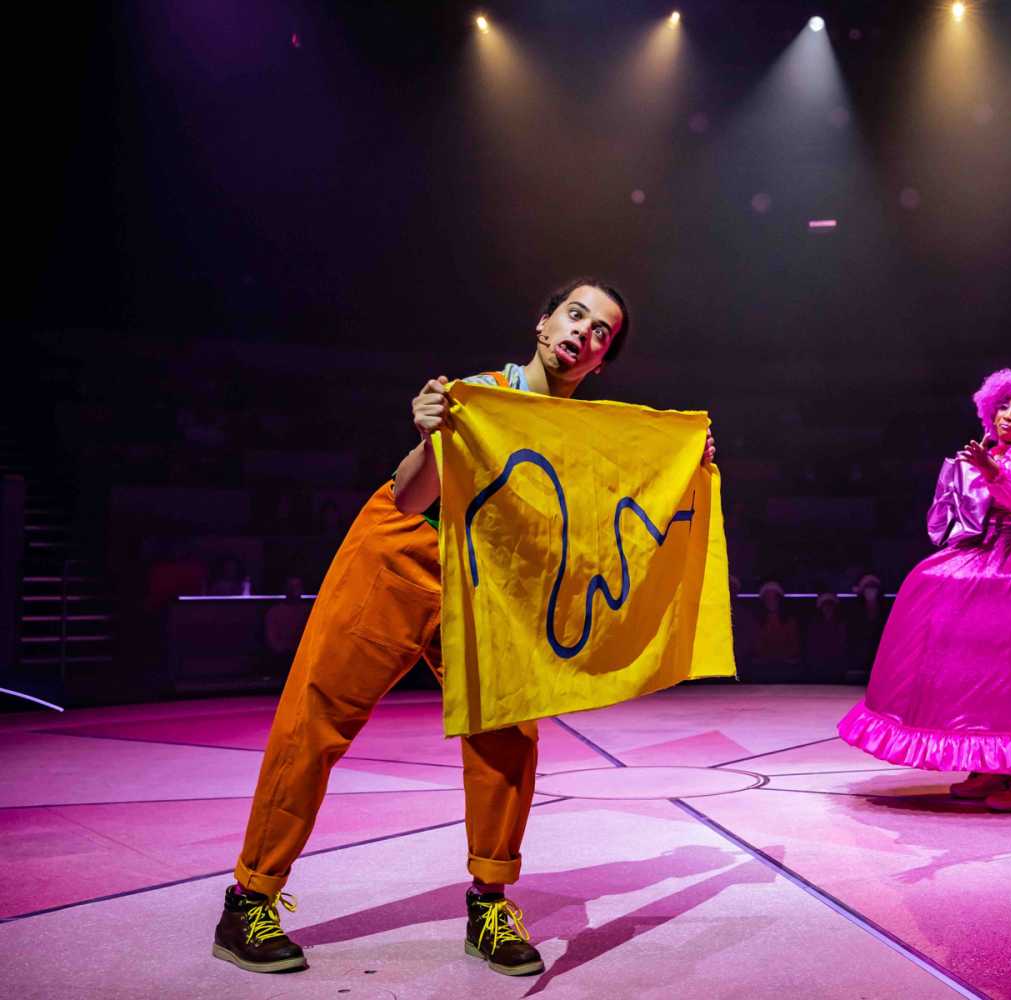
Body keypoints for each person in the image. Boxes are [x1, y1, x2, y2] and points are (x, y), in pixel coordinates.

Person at [214, 278, 715, 979]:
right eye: (575, 314)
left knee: (509, 733)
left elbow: (613, 527)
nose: (584, 333)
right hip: (399, 556)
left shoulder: (588, 439)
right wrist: (428, 435)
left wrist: (684, 470)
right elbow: (411, 494)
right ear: (543, 324)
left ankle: (489, 903)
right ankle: (249, 899)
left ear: (601, 361)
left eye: (602, 332)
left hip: (486, 583)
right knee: (315, 720)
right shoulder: (479, 395)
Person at [838, 363, 1011, 813]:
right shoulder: (982, 449)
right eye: (1001, 406)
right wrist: (959, 483)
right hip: (981, 548)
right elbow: (948, 515)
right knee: (939, 599)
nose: (1008, 415)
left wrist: (992, 471)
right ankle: (989, 762)